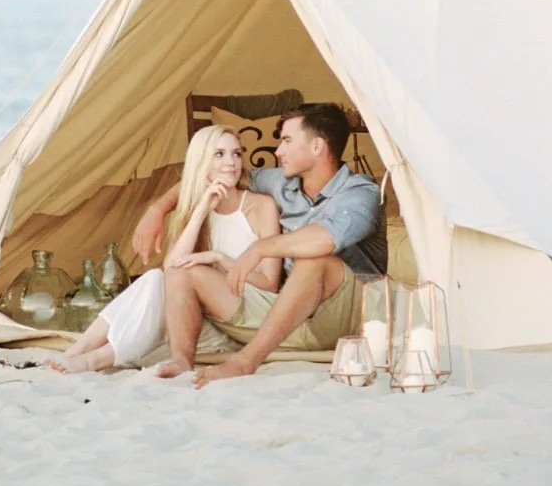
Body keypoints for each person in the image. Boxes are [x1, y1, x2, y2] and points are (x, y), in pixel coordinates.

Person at [132, 101, 387, 387]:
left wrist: (260, 248)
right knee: (183, 270)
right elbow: (214, 174)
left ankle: (244, 361)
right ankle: (181, 360)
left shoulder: (361, 193)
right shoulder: (280, 182)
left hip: (345, 318)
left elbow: (324, 239)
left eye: (287, 141)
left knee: (315, 258)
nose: (277, 151)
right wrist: (157, 209)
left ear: (317, 146)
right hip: (287, 312)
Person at [49, 126, 281, 373]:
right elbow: (171, 270)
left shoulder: (261, 206)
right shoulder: (198, 210)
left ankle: (93, 360)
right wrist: (201, 210)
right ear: (201, 163)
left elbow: (269, 284)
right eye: (219, 154)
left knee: (172, 278)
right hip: (210, 321)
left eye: (236, 153)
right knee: (154, 278)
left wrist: (218, 258)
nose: (231, 163)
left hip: (249, 315)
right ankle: (76, 351)